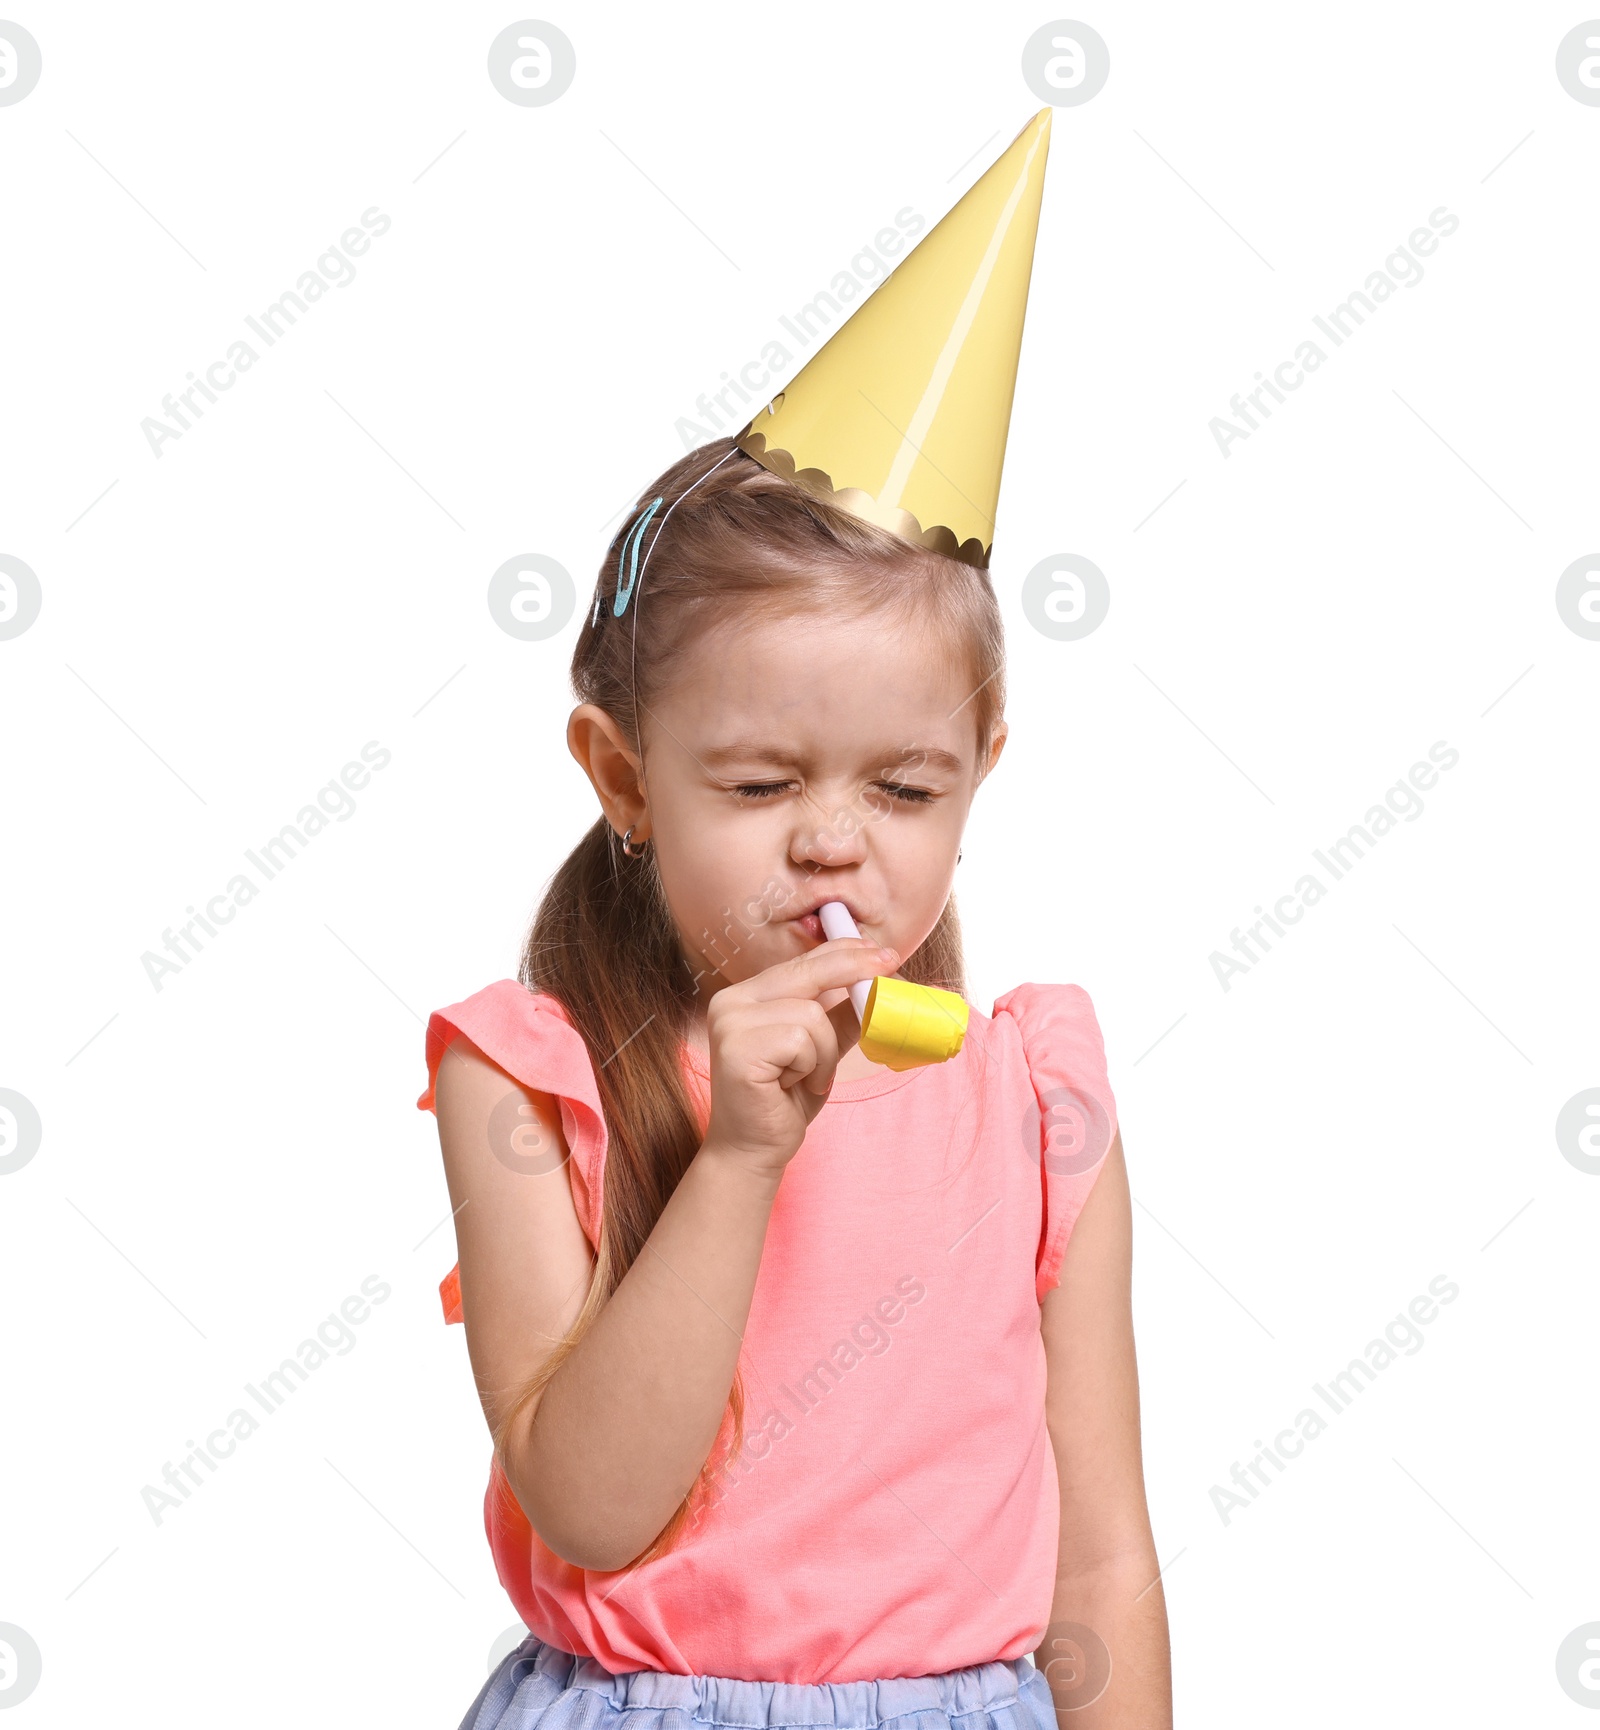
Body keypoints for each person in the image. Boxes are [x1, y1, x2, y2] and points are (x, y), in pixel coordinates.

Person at [417, 110, 1172, 1730]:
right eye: (759, 785)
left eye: (905, 790)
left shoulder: (1033, 1098)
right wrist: (743, 1155)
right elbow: (595, 1506)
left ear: (981, 771)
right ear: (624, 776)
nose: (834, 842)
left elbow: (1101, 1558)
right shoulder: (529, 1080)